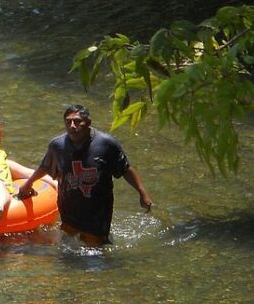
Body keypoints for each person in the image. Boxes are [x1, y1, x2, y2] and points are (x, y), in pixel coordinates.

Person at [15, 104, 153, 245]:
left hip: (97, 211)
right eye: (68, 122)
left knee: (96, 251)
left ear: (88, 123)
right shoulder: (57, 146)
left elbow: (125, 170)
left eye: (77, 121)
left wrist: (142, 193)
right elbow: (44, 167)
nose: (72, 126)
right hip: (68, 207)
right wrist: (28, 184)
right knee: (68, 247)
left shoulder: (106, 144)